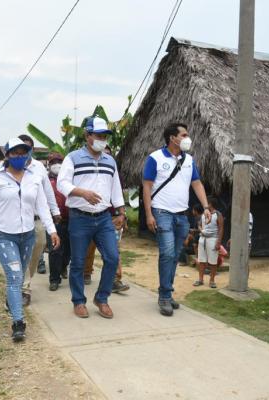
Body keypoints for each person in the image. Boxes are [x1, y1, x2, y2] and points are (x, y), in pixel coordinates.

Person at [0, 138, 59, 342]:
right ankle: (18, 322)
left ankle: (12, 301)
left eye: (23, 153)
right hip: (4, 236)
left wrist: (52, 230)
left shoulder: (34, 177)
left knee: (19, 278)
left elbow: (42, 207)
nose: (19, 157)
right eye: (15, 153)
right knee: (14, 277)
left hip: (27, 235)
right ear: (8, 155)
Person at [57, 115, 126, 319]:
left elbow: (116, 188)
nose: (102, 139)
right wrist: (82, 192)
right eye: (98, 135)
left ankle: (101, 298)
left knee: (112, 258)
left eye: (105, 136)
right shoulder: (73, 158)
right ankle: (78, 301)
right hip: (80, 217)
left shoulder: (109, 160)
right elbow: (62, 183)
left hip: (104, 218)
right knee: (78, 262)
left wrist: (121, 212)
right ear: (87, 135)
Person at [142, 122, 211, 316]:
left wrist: (205, 206)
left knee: (175, 256)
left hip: (182, 215)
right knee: (167, 254)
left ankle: (167, 292)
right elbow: (146, 187)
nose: (187, 138)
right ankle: (164, 296)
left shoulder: (189, 160)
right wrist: (148, 214)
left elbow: (196, 183)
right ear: (172, 138)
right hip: (161, 213)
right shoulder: (154, 158)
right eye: (184, 135)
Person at [13, 134, 61, 305]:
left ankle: (23, 279)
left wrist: (55, 210)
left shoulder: (39, 167)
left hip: (37, 218)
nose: (25, 151)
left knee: (38, 247)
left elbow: (48, 191)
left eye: (28, 147)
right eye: (21, 147)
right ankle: (24, 288)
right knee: (18, 254)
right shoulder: (7, 167)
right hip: (15, 219)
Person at [82, 145, 130, 293]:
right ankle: (86, 271)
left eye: (108, 154)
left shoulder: (114, 173)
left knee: (113, 250)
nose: (105, 156)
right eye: (103, 154)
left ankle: (115, 279)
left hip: (112, 218)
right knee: (89, 247)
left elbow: (119, 195)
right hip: (91, 216)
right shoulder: (88, 173)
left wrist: (122, 214)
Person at [47, 152, 70, 291]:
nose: (56, 165)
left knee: (69, 250)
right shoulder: (46, 181)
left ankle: (63, 267)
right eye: (53, 162)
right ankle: (54, 279)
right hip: (53, 221)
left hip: (71, 219)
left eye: (59, 162)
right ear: (49, 165)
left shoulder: (69, 179)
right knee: (55, 250)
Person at [193, 197, 224, 289]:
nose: (205, 205)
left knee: (213, 262)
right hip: (202, 239)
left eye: (207, 203)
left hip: (212, 239)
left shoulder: (218, 214)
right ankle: (200, 280)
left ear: (210, 204)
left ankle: (212, 281)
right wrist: (200, 229)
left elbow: (221, 228)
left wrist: (218, 242)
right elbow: (200, 224)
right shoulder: (203, 214)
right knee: (201, 260)